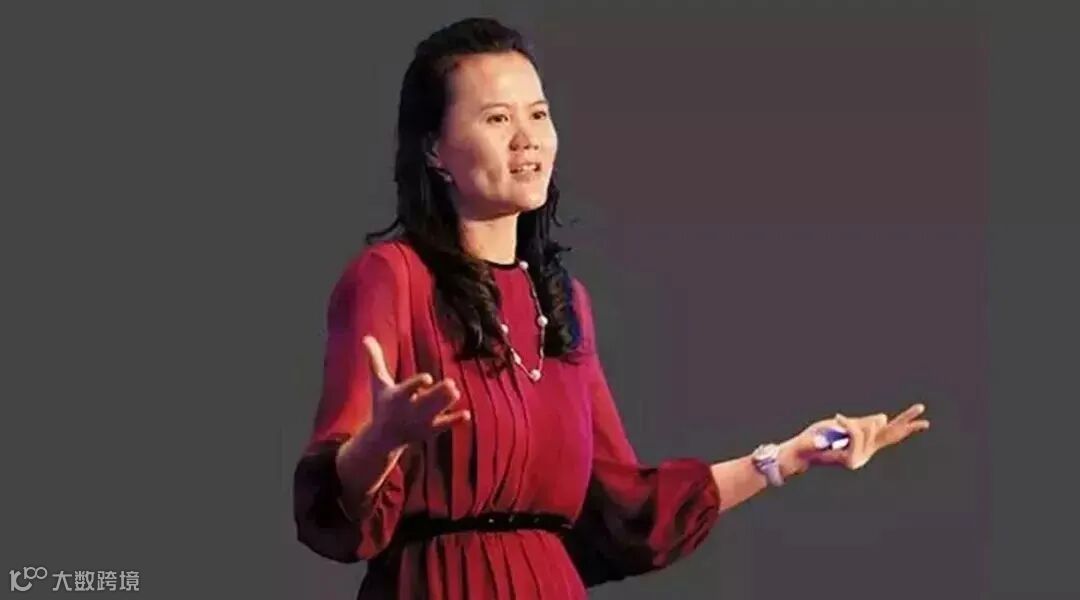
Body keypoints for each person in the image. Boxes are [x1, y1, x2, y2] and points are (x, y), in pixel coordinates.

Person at [292, 17, 931, 599]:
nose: (527, 140)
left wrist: (791, 455)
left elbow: (625, 507)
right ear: (434, 149)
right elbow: (330, 502)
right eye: (497, 119)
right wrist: (381, 442)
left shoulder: (562, 303)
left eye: (538, 115)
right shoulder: (391, 278)